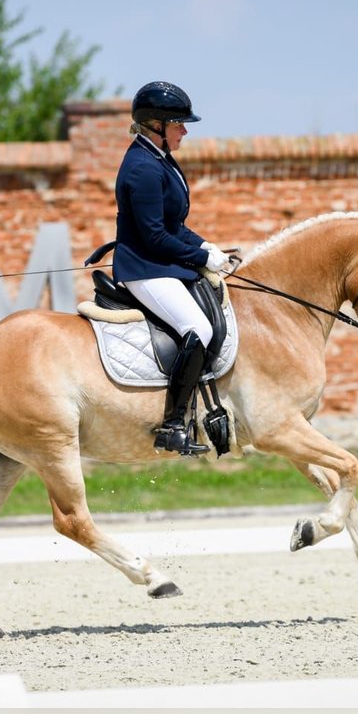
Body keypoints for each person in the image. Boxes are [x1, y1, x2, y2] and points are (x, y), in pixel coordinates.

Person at [107, 81, 231, 454]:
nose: (185, 130)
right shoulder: (142, 167)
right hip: (144, 267)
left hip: (159, 262)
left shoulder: (160, 158)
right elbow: (155, 237)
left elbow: (174, 226)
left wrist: (204, 244)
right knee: (198, 327)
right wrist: (202, 258)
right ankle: (173, 425)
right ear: (156, 125)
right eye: (179, 123)